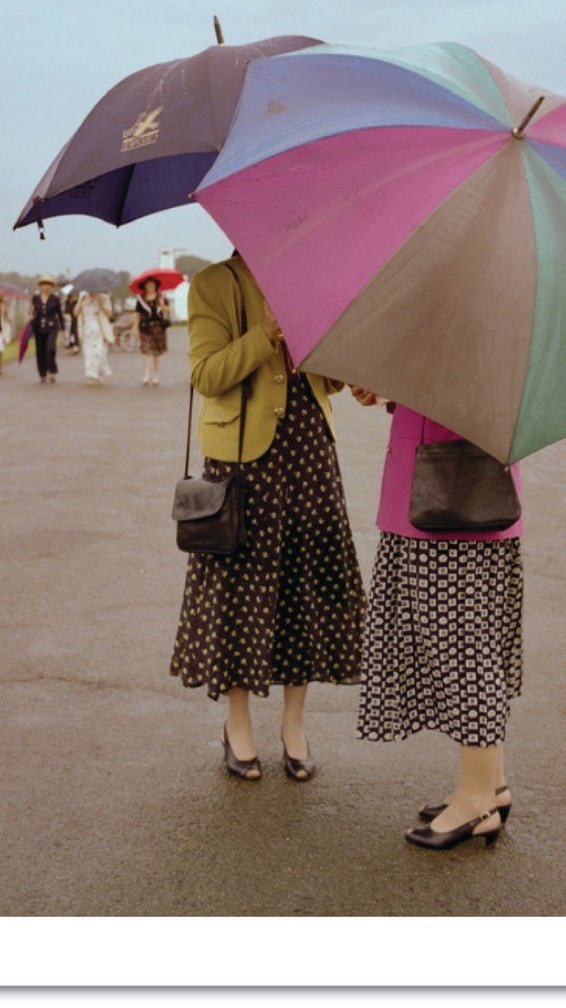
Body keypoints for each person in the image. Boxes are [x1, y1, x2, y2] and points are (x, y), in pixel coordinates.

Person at [169, 254, 365, 783]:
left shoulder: (311, 277)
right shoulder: (214, 284)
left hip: (309, 453)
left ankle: (294, 725)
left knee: (305, 588)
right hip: (242, 463)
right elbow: (206, 375)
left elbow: (334, 380)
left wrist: (323, 348)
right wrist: (266, 334)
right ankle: (237, 725)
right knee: (241, 593)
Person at [352, 391, 523, 851]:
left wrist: (400, 387)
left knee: (467, 655)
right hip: (446, 495)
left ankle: (476, 803)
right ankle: (491, 785)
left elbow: (465, 391)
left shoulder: (473, 323)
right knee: (475, 646)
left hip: (450, 503)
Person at [134, 277, 171, 386]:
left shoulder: (162, 297)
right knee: (145, 352)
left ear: (155, 286)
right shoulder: (141, 299)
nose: (150, 287)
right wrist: (135, 328)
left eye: (152, 285)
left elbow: (168, 310)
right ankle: (146, 375)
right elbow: (137, 314)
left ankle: (155, 375)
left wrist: (162, 304)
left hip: (158, 328)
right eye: (148, 285)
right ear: (145, 286)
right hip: (145, 327)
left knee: (156, 353)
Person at [75, 290, 114, 385]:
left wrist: (102, 305)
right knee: (88, 353)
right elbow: (76, 313)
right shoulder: (82, 296)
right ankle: (91, 375)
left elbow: (110, 314)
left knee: (99, 352)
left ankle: (99, 372)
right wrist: (80, 301)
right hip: (87, 328)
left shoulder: (103, 297)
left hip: (100, 328)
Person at [30, 276, 64, 385]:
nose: (46, 287)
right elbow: (32, 311)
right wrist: (30, 318)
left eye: (48, 284)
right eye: (44, 284)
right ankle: (42, 373)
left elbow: (60, 314)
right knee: (40, 351)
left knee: (50, 349)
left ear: (52, 286)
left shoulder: (55, 299)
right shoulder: (36, 298)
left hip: (52, 327)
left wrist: (64, 330)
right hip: (38, 327)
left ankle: (52, 371)